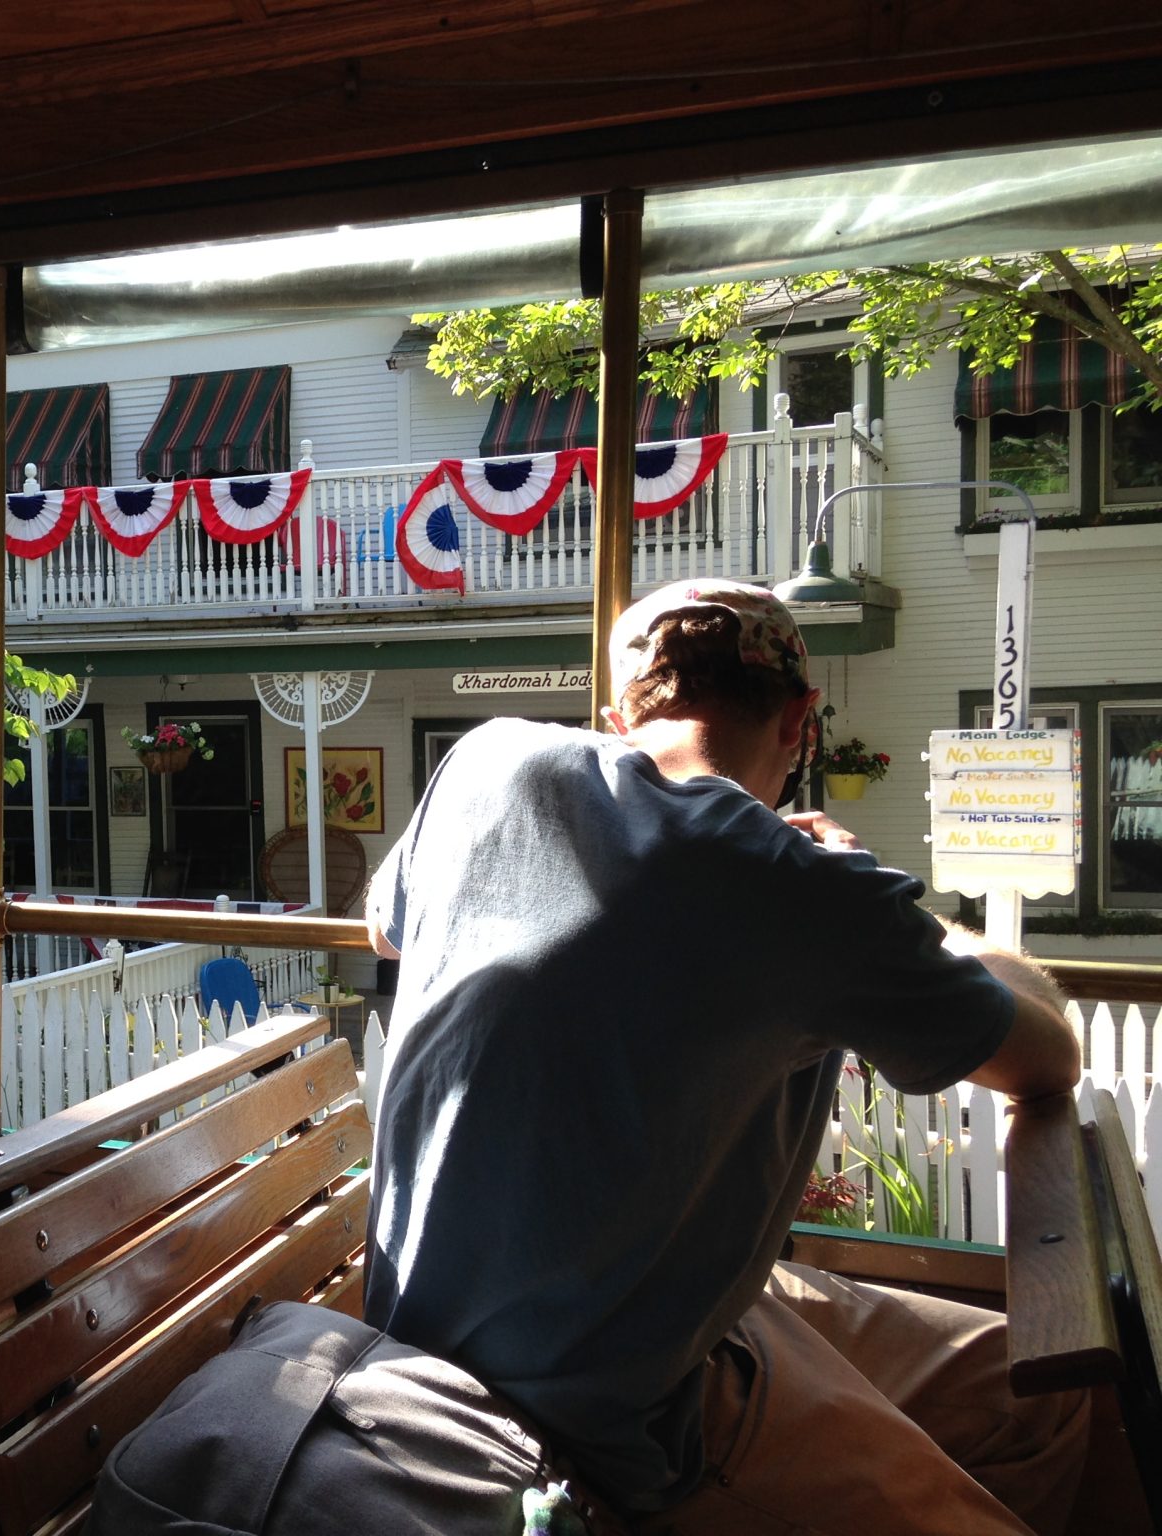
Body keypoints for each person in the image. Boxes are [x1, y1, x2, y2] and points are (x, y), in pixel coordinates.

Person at [363, 579, 1088, 1535]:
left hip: (422, 1345)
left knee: (1030, 1388)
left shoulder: (487, 760)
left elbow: (385, 931)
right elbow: (1048, 1058)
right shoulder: (808, 892)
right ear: (799, 722)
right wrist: (888, 913)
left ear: (620, 720)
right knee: (1052, 1410)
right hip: (608, 1426)